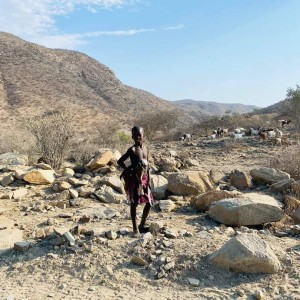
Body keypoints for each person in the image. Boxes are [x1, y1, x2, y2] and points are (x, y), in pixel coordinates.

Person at [117, 126, 153, 237]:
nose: (138, 137)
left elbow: (147, 162)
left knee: (149, 203)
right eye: (135, 135)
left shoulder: (146, 148)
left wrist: (148, 177)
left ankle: (142, 225)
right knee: (134, 203)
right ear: (132, 137)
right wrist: (130, 169)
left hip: (146, 178)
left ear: (143, 135)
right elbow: (120, 161)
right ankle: (135, 229)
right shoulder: (132, 150)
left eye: (139, 135)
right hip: (135, 179)